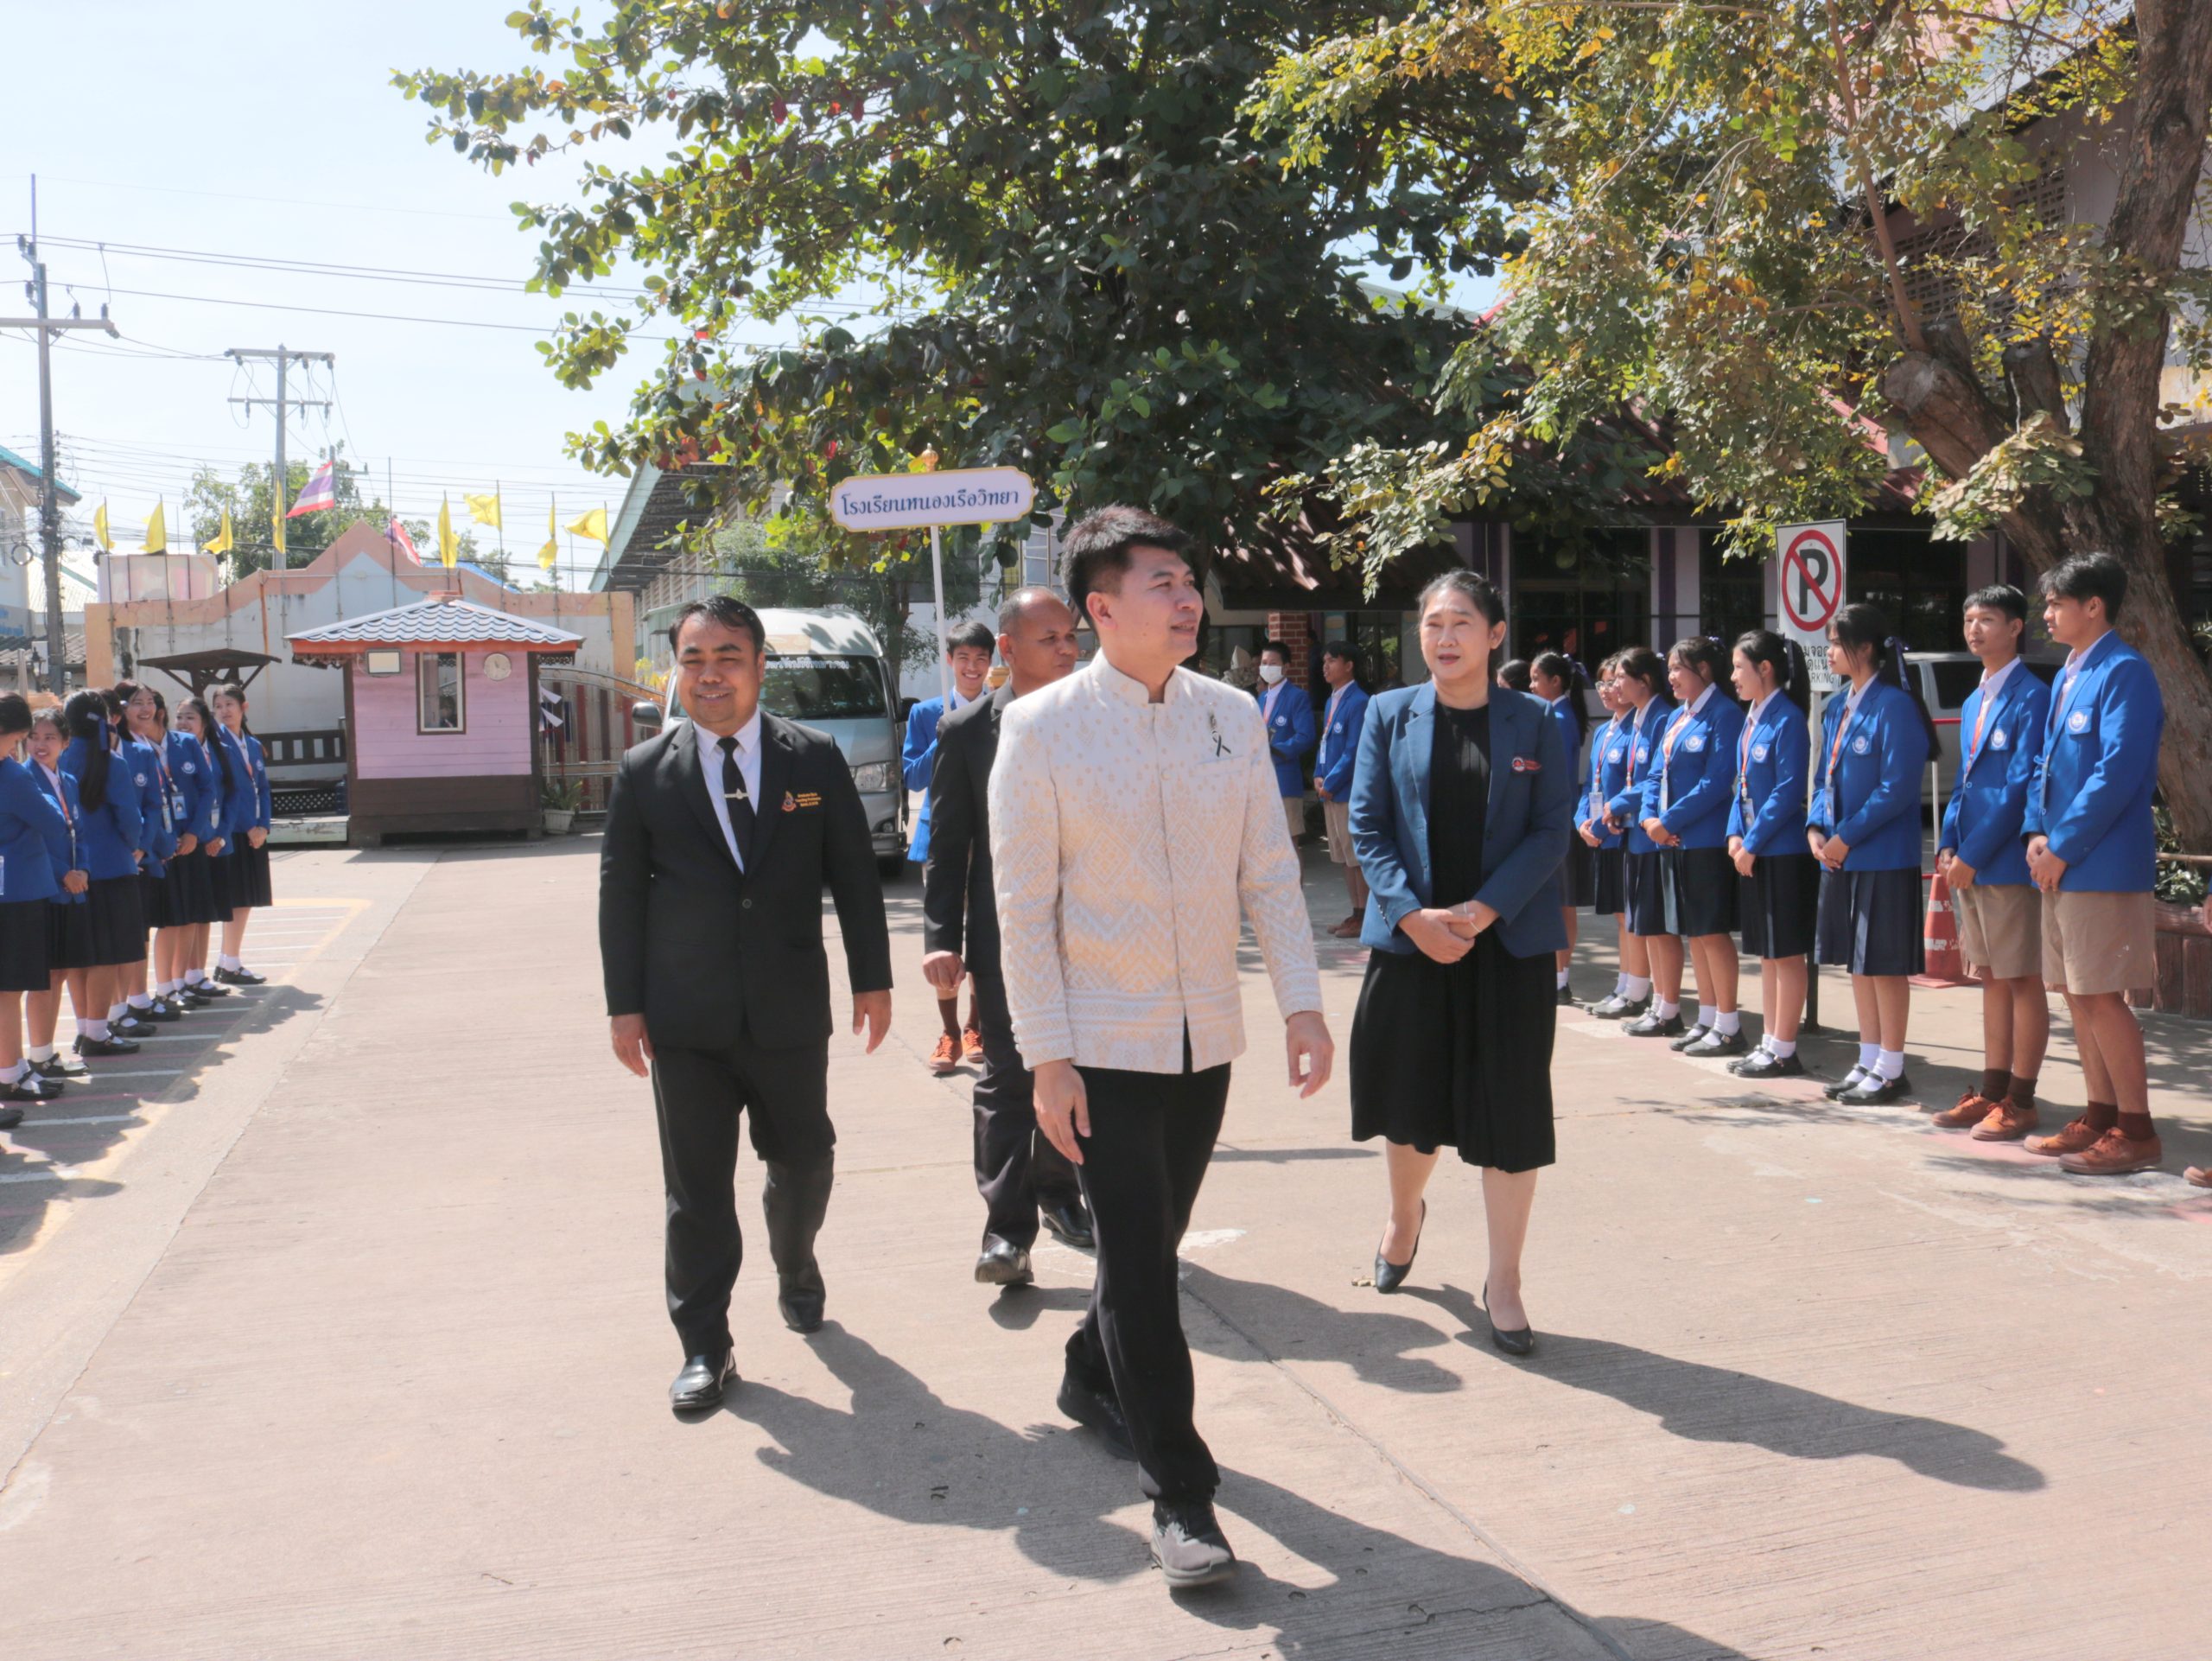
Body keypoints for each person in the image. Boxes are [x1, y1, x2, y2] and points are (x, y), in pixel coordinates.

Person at [990, 506, 1331, 1591]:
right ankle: (1181, 1496)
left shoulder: (1229, 715)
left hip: (1203, 1038)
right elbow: (1022, 907)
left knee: (1150, 1244)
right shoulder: (1039, 728)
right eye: (1162, 584)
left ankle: (1088, 1369)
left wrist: (1302, 1004)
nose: (1188, 599)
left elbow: (1269, 869)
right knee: (1141, 1263)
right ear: (1101, 607)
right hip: (1098, 1042)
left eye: (1189, 581)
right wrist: (1046, 1057)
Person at [600, 595, 894, 1415]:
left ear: (761, 666)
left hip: (787, 1009)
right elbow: (621, 896)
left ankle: (795, 1261)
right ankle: (705, 1344)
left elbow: (854, 874)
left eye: (727, 657)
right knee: (695, 1190)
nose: (710, 675)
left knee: (804, 1160)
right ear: (676, 673)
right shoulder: (645, 772)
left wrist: (872, 978)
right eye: (693, 660)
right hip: (684, 1019)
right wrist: (624, 1006)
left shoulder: (814, 759)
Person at [1348, 570, 1572, 1361]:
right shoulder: (1387, 713)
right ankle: (1404, 1215)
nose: (1444, 638)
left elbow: (1552, 830)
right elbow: (1368, 825)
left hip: (1504, 946)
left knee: (1511, 1115)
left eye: (1461, 623)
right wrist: (1412, 916)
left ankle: (1504, 1280)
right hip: (1413, 943)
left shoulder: (1537, 721)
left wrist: (1482, 912)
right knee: (1410, 1104)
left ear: (1495, 634)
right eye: (1433, 624)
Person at [922, 587, 1095, 1289]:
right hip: (1006, 941)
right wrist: (942, 937)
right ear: (1008, 648)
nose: (1067, 650)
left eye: (1071, 636)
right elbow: (949, 843)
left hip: (1094, 937)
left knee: (1078, 1071)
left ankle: (1060, 1193)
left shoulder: (1098, 717)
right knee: (1008, 1080)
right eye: (1049, 639)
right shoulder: (967, 731)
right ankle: (1006, 1231)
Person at [2022, 553, 2167, 1175]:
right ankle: (2100, 1116)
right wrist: (2036, 832)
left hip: (2100, 863)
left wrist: (2063, 845)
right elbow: (2044, 764)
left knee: (2102, 996)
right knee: (2076, 995)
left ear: (2094, 606)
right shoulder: (2069, 674)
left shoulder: (2125, 671)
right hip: (2060, 859)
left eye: (2057, 604)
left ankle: (2137, 1131)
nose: (2048, 615)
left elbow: (2117, 772)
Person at [1931, 586, 2052, 1139]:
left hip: (2004, 863)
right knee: (1990, 977)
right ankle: (1992, 1089)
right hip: (1970, 862)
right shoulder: (1975, 698)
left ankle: (2021, 1100)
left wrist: (1974, 855)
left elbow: (2020, 786)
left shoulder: (2033, 696)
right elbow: (1965, 780)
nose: (1974, 630)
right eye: (1969, 620)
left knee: (2021, 977)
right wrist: (1948, 843)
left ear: (2016, 627)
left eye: (1987, 620)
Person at [1809, 604, 1935, 1105]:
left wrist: (1846, 836)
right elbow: (1822, 777)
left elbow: (1897, 788)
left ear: (1864, 648)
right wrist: (1816, 828)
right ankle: (1867, 1059)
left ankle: (1891, 1067)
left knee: (1884, 965)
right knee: (1859, 965)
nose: (1829, 652)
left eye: (1835, 643)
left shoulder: (1894, 705)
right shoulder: (1836, 705)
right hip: (1841, 854)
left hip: (1881, 854)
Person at [1635, 639, 1746, 1055]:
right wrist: (1649, 819)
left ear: (1704, 669)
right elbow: (1654, 775)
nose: (1671, 677)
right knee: (1694, 934)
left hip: (1704, 840)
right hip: (1671, 840)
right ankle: (1707, 1018)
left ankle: (1729, 1024)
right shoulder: (1677, 716)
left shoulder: (1725, 714)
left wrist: (1669, 822)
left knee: (1711, 932)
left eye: (1678, 669)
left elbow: (1717, 782)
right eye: (1669, 669)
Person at [903, 620, 995, 1074]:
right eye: (964, 658)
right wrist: (944, 738)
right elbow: (912, 776)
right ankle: (948, 1030)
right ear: (950, 661)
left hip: (991, 841)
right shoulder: (927, 713)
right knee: (945, 936)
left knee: (983, 935)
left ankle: (976, 1025)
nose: (972, 667)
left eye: (981, 659)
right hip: (942, 838)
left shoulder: (1004, 710)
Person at [1725, 632, 1818, 1079]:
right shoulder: (1753, 717)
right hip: (1754, 851)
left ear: (1765, 669)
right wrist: (1734, 835)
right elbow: (1741, 785)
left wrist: (1753, 842)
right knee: (1767, 954)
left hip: (1781, 852)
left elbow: (1787, 791)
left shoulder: (1788, 719)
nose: (1733, 677)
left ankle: (1784, 1048)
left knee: (1786, 955)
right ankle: (1768, 1041)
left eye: (1739, 667)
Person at [54, 691, 146, 1059]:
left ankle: (83, 1029)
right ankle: (98, 1032)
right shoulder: (111, 761)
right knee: (108, 956)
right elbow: (130, 819)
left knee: (79, 956)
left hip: (71, 871)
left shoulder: (59, 759)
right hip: (112, 867)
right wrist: (135, 846)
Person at [0, 694, 73, 1127]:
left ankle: (13, 1071)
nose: (18, 747)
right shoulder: (12, 773)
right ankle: (10, 1074)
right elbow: (53, 822)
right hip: (17, 888)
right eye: (17, 739)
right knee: (9, 990)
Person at [1605, 648, 1683, 1033]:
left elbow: (1655, 778)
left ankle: (1668, 1008)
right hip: (1636, 836)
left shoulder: (1662, 717)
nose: (1616, 684)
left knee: (1659, 928)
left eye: (1622, 677)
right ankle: (1658, 1004)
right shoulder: (1639, 718)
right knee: (1646, 925)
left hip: (1654, 836)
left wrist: (1618, 804)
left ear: (1644, 681)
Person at [23, 707, 97, 1083]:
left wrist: (83, 870)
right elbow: (30, 839)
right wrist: (63, 873)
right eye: (34, 737)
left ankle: (47, 1053)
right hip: (44, 889)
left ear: (66, 743)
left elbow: (79, 832)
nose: (41, 744)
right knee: (46, 975)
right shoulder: (24, 779)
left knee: (63, 970)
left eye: (50, 737)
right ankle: (39, 1054)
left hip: (71, 889)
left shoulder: (67, 780)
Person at [1580, 657, 1651, 1018]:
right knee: (1619, 917)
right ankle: (1624, 984)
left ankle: (1636, 988)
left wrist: (1610, 814)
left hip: (1622, 831)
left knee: (1629, 916)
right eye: (1602, 684)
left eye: (1614, 682)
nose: (1608, 690)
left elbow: (1637, 783)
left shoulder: (1636, 728)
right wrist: (1582, 821)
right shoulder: (1602, 732)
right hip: (1601, 832)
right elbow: (1590, 785)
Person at [113, 683, 179, 1029]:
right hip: (123, 856)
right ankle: (124, 1004)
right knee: (128, 933)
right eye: (136, 703)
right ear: (120, 712)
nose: (145, 709)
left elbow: (155, 805)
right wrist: (133, 846)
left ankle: (138, 997)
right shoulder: (116, 750)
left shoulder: (144, 748)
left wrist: (150, 845)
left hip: (148, 852)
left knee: (143, 929)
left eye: (150, 702)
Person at [1531, 650, 1591, 1002]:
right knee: (1556, 901)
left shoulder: (1558, 717)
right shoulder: (1558, 714)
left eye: (1536, 679)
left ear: (1555, 681)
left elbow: (1555, 776)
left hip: (1558, 820)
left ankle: (1560, 978)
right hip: (1556, 819)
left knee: (1562, 902)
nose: (1531, 686)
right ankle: (1555, 974)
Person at [172, 697, 234, 1008]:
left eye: (190, 718)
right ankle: (183, 976)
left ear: (204, 724)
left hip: (215, 842)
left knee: (207, 912)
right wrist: (198, 835)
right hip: (191, 841)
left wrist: (220, 836)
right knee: (190, 912)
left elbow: (232, 795)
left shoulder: (220, 752)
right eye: (180, 717)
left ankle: (197, 973)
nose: (183, 723)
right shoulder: (172, 751)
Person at [210, 682, 273, 986]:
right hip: (233, 830)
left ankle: (229, 960)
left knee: (245, 899)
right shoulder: (216, 745)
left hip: (255, 832)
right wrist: (249, 826)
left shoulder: (253, 744)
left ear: (243, 707)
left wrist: (264, 825)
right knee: (235, 899)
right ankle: (229, 963)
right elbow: (227, 794)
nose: (224, 711)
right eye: (218, 706)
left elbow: (263, 788)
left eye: (229, 705)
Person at [1313, 640, 1372, 938]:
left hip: (1348, 792)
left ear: (1349, 666)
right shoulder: (1331, 700)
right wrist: (1317, 775)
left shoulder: (1359, 701)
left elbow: (1354, 750)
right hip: (1331, 791)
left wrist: (1331, 783)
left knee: (1356, 857)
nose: (1325, 666)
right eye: (1324, 661)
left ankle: (1367, 917)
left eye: (1332, 661)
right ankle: (1356, 913)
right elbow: (1325, 743)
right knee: (1343, 856)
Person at [1254, 639, 1316, 849]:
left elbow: (1305, 736)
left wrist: (1275, 751)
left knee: (1289, 843)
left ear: (1286, 667)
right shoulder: (1261, 698)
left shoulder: (1297, 697)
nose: (1267, 667)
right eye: (1264, 663)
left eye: (1273, 663)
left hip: (1284, 779)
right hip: (1260, 781)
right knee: (1265, 845)